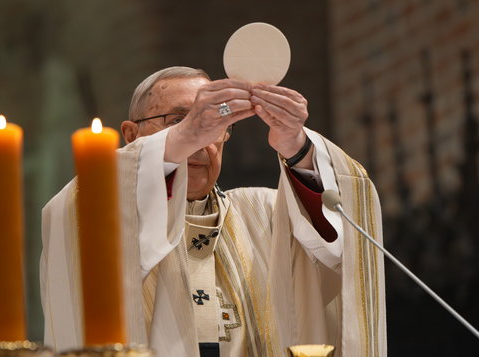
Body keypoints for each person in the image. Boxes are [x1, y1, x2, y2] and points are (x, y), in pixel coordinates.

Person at [40, 67, 387, 356]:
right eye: (179, 119)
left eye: (214, 123)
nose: (201, 139)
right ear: (132, 135)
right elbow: (82, 209)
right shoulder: (101, 202)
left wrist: (297, 147)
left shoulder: (266, 215)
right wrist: (184, 136)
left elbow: (343, 241)